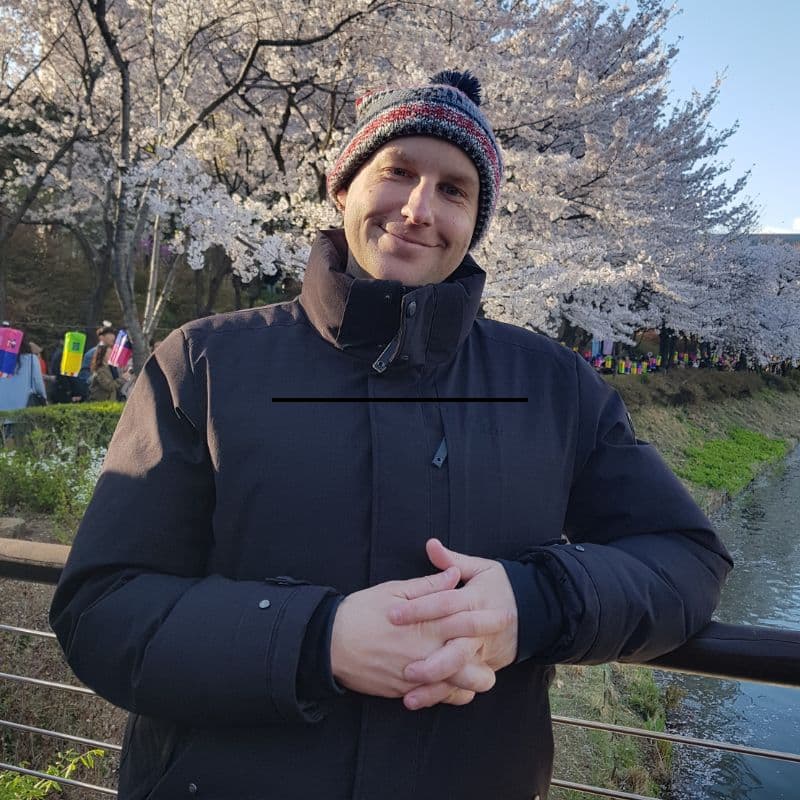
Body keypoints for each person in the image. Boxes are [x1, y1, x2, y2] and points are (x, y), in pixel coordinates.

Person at [50, 70, 732, 800]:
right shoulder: (207, 364)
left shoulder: (552, 385)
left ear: (477, 221)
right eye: (397, 172)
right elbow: (103, 607)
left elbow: (685, 559)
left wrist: (534, 605)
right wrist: (315, 640)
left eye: (453, 190)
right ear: (344, 187)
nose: (417, 210)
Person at [0, 339, 47, 411]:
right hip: (25, 407)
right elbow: (38, 383)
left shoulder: (2, 360)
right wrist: (44, 398)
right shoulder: (31, 359)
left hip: (2, 408)